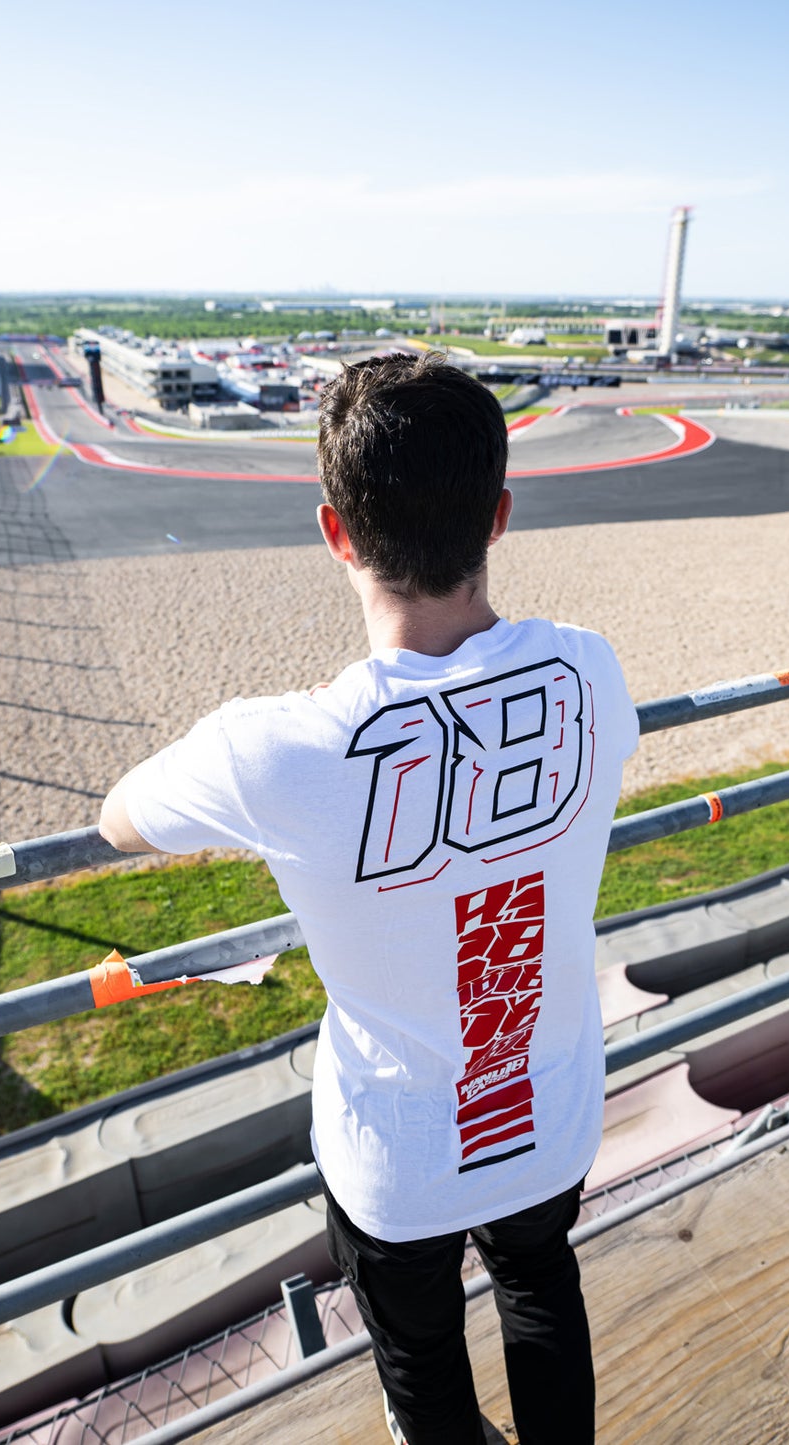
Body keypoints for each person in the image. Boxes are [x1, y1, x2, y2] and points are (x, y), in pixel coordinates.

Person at [99, 352, 638, 1444]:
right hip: (546, 1105)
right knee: (541, 1289)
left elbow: (120, 818)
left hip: (397, 1150)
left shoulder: (274, 750)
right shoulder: (590, 671)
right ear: (498, 515)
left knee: (424, 1370)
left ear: (335, 532)